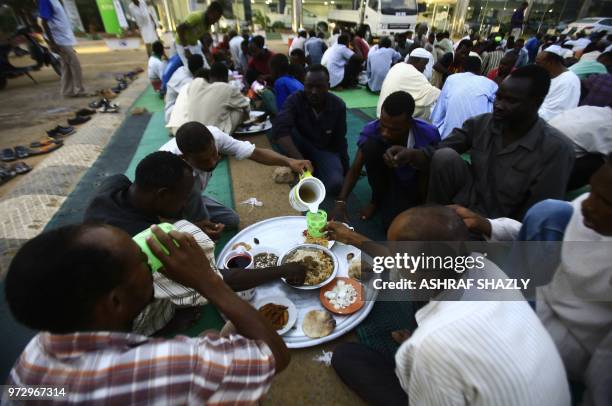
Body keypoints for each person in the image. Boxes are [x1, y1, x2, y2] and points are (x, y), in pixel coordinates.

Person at [5, 222, 292, 403]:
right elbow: (276, 357)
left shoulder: (29, 362)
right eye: (144, 261)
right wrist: (209, 281)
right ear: (115, 302)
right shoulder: (178, 364)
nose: (153, 265)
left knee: (210, 335)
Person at [328, 206, 571, 406]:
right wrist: (355, 239)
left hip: (439, 350)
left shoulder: (432, 343)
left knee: (347, 357)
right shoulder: (483, 265)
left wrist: (423, 352)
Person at [452, 157, 612, 406]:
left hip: (574, 339)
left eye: (605, 202)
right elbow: (535, 229)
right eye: (592, 191)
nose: (588, 205)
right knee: (549, 212)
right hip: (543, 292)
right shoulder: (587, 209)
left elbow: (606, 363)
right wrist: (488, 225)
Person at [385, 65, 575, 221]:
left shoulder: (556, 149)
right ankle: (436, 217)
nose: (499, 105)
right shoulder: (483, 123)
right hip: (468, 201)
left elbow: (536, 218)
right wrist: (410, 154)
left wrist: (491, 229)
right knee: (444, 156)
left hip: (500, 225)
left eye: (511, 101)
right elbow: (438, 150)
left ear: (536, 103)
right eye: (499, 97)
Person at [161, 122, 311, 229]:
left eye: (214, 154)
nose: (213, 162)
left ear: (214, 142)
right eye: (204, 161)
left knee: (231, 220)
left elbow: (256, 153)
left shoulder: (215, 136)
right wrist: (190, 226)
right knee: (198, 230)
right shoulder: (169, 166)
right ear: (184, 157)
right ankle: (193, 220)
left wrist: (289, 161)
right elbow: (157, 212)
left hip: (191, 197)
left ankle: (195, 210)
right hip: (169, 204)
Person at [334, 91, 440, 228]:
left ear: (409, 123)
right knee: (370, 146)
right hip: (387, 177)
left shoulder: (428, 134)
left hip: (413, 184)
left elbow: (433, 169)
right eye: (383, 125)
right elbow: (356, 168)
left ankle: (419, 205)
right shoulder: (372, 129)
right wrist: (340, 202)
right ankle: (376, 199)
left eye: (394, 129)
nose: (385, 132)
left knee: (393, 225)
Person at [273, 65, 348, 197]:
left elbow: (340, 140)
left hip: (324, 148)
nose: (313, 91)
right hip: (299, 145)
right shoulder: (294, 100)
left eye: (319, 86)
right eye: (309, 86)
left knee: (336, 184)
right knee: (286, 133)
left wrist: (346, 169)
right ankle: (298, 163)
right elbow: (280, 130)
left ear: (328, 86)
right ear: (304, 85)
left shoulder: (338, 106)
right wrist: (299, 160)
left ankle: (312, 167)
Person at [167, 63, 250, 135]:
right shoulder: (227, 88)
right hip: (213, 137)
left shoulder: (194, 84)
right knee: (238, 109)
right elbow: (246, 105)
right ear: (225, 78)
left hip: (186, 132)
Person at [430, 56, 498, 139]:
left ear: (461, 69)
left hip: (449, 137)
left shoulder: (452, 79)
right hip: (477, 139)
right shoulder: (491, 84)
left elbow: (438, 114)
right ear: (480, 70)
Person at [548, 105, 612, 189]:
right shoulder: (609, 125)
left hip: (539, 147)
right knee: (603, 164)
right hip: (552, 166)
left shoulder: (589, 109)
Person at [38, 0, 86, 97]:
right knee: (74, 64)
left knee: (66, 66)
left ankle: (67, 92)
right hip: (59, 40)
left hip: (63, 38)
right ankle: (79, 90)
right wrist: (52, 43)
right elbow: (43, 21)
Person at [377, 48, 441, 120]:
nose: (424, 68)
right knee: (426, 108)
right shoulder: (413, 72)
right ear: (418, 61)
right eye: (424, 64)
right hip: (391, 116)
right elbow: (431, 93)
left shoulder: (397, 66)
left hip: (382, 112)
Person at [536, 45, 581, 120]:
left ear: (551, 62)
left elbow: (552, 114)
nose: (536, 66)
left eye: (538, 63)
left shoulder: (568, 81)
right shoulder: (549, 75)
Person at [174, 1, 223, 66]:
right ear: (210, 12)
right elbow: (179, 29)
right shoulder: (196, 17)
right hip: (182, 44)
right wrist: (186, 49)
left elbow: (201, 36)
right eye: (215, 18)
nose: (216, 21)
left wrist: (207, 51)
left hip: (194, 44)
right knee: (191, 67)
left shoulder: (208, 24)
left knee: (205, 66)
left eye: (217, 19)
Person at [164, 54, 203, 123]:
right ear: (199, 68)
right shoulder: (186, 81)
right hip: (172, 115)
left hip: (174, 110)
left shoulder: (182, 69)